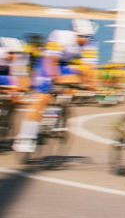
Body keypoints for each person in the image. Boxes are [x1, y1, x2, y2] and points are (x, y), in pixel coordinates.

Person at [13, 19, 98, 153]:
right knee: (42, 98)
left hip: (64, 64)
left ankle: (58, 109)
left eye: (88, 37)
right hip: (46, 63)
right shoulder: (59, 36)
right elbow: (51, 61)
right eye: (81, 36)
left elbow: (90, 67)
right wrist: (57, 78)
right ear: (74, 33)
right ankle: (25, 137)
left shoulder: (92, 43)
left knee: (79, 77)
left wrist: (92, 83)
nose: (85, 40)